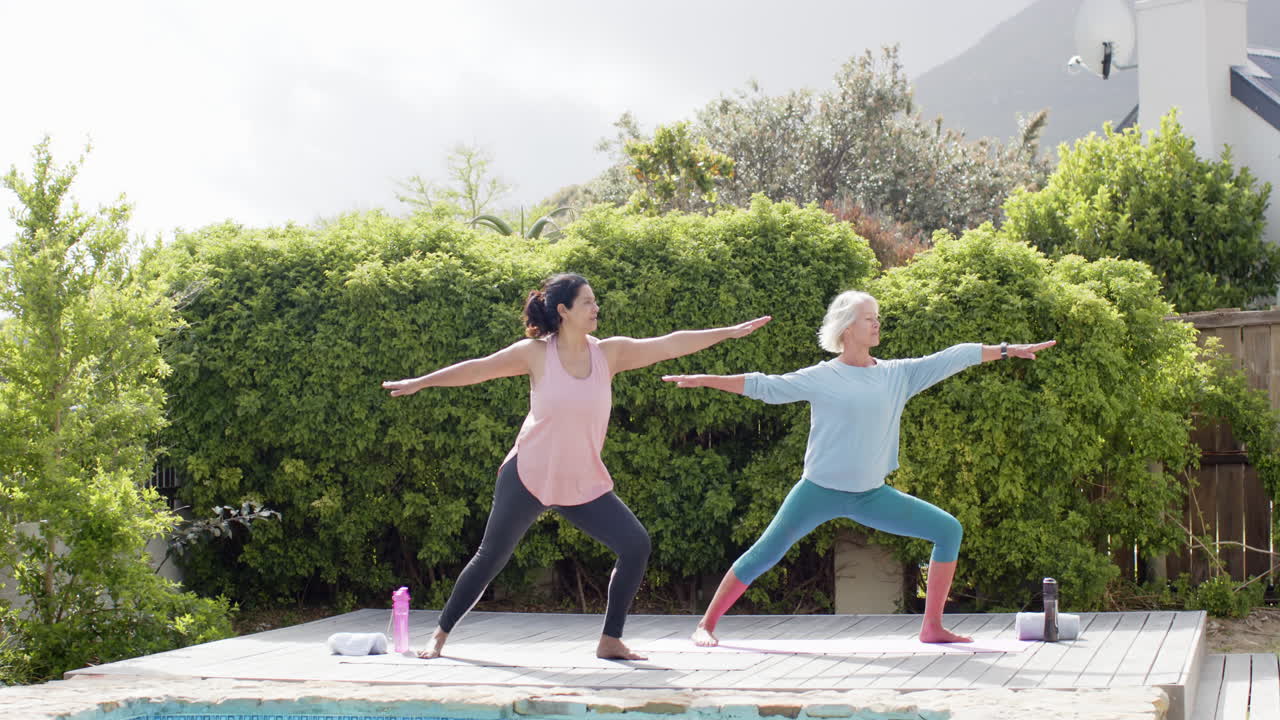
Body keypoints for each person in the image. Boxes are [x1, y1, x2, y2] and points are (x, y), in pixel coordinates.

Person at [383, 273, 771, 660]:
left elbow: (670, 344)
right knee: (490, 558)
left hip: (581, 480)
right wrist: (421, 382)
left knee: (635, 544)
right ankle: (439, 635)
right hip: (529, 473)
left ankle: (610, 640)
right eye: (587, 302)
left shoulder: (609, 354)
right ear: (564, 310)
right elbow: (477, 369)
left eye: (595, 301)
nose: (596, 307)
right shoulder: (534, 353)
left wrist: (729, 332)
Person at [662, 290, 1054, 646]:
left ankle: (931, 627)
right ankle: (706, 625)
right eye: (870, 318)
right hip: (818, 491)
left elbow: (952, 357)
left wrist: (1004, 349)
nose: (877, 322)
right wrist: (705, 380)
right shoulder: (823, 376)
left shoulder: (897, 375)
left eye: (877, 316)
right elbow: (766, 386)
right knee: (765, 552)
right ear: (848, 328)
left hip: (871, 495)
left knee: (948, 530)